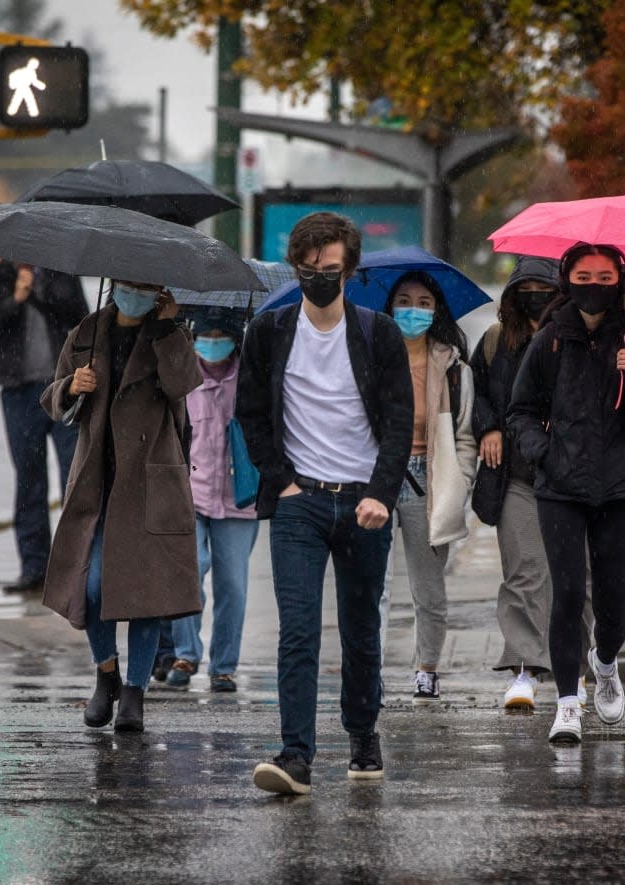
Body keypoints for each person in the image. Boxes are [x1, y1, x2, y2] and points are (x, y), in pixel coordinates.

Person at [236, 211, 413, 795]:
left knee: (361, 631)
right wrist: (281, 481)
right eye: (309, 270)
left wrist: (381, 495)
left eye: (330, 270)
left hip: (364, 504)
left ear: (350, 271)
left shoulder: (377, 333)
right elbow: (252, 414)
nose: (319, 278)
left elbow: (397, 423)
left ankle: (363, 737)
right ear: (296, 269)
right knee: (299, 631)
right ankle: (296, 756)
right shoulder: (268, 331)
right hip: (299, 504)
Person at [507, 243, 625, 744]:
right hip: (561, 487)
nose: (594, 285)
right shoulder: (552, 337)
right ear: (567, 278)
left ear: (618, 280)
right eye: (584, 275)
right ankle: (566, 702)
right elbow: (520, 410)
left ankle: (605, 663)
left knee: (613, 606)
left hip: (620, 487)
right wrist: (545, 451)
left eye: (605, 276)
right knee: (567, 595)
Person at [39, 280, 203, 733]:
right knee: (90, 588)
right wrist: (73, 385)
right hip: (98, 480)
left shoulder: (171, 333)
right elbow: (54, 401)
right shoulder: (87, 332)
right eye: (129, 284)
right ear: (114, 284)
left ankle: (135, 693)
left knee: (147, 597)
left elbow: (182, 385)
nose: (137, 293)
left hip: (151, 481)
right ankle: (106, 673)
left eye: (147, 286)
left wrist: (169, 330)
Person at [469, 258, 595, 712]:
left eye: (546, 287)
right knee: (524, 571)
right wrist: (489, 427)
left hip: (575, 479)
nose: (537, 295)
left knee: (576, 580)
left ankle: (575, 671)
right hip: (518, 476)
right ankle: (524, 668)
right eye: (528, 287)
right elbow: (477, 393)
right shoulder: (494, 343)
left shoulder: (585, 337)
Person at [382, 271, 476, 704]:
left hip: (428, 480)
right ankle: (370, 672)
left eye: (423, 302)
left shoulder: (452, 364)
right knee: (370, 587)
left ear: (437, 309)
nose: (413, 310)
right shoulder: (372, 352)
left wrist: (460, 482)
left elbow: (464, 434)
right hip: (378, 476)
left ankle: (426, 669)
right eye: (404, 300)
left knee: (428, 589)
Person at [0, 261, 88, 593]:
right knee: (29, 480)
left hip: (65, 388)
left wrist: (44, 293)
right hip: (19, 392)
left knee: (75, 478)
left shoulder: (62, 273)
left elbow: (82, 321)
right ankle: (34, 567)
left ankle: (76, 566)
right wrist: (15, 300)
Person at [158, 306, 260, 693]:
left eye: (221, 336)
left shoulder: (252, 378)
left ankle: (224, 667)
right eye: (205, 336)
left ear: (236, 339)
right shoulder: (181, 377)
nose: (212, 344)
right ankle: (185, 652)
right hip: (190, 495)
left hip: (239, 499)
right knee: (189, 569)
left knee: (233, 585)